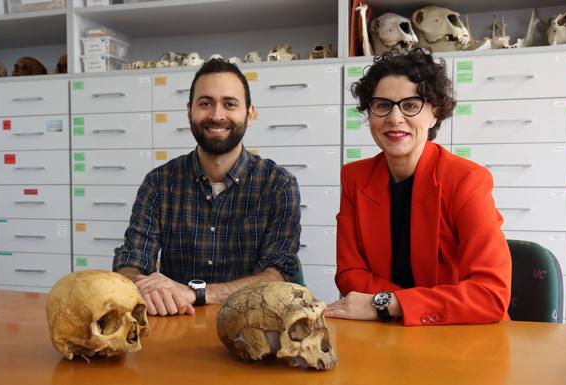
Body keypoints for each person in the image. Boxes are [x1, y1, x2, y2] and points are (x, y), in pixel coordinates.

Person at [325, 48, 511, 325]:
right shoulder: (355, 178)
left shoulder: (466, 180)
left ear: (434, 113)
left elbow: (491, 294)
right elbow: (350, 273)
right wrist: (405, 307)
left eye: (410, 106)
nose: (394, 118)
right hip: (386, 336)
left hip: (462, 336)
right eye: (382, 105)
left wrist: (391, 304)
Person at [113, 59, 302, 316]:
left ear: (250, 113)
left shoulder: (278, 184)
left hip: (251, 324)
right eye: (205, 103)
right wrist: (141, 285)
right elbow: (131, 262)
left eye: (230, 104)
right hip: (176, 325)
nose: (216, 115)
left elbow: (277, 276)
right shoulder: (158, 183)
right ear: (189, 110)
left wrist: (195, 293)